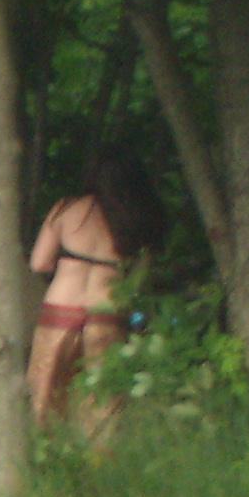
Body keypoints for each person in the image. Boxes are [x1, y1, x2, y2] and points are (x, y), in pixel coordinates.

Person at [25, 148, 164, 448]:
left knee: (43, 400)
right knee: (104, 405)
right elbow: (139, 283)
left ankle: (46, 457)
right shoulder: (134, 220)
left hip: (60, 312)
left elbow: (39, 263)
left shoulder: (66, 209)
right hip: (106, 315)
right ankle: (99, 462)